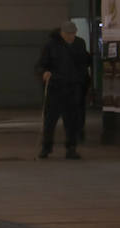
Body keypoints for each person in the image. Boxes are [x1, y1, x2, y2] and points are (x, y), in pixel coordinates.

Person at [38, 20, 92, 159]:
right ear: (62, 33)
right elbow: (42, 64)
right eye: (68, 34)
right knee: (50, 120)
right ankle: (46, 147)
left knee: (72, 120)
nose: (71, 37)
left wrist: (81, 80)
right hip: (55, 87)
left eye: (73, 34)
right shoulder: (51, 45)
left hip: (73, 87)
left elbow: (85, 62)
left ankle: (71, 148)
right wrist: (44, 72)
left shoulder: (79, 43)